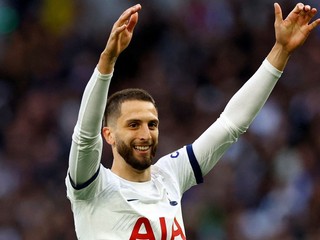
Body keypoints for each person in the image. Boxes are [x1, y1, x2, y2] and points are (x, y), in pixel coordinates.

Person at [66, 2, 320, 239]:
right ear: (109, 134)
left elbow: (231, 124)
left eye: (151, 124)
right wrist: (106, 63)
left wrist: (281, 52)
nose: (145, 133)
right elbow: (85, 137)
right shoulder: (92, 188)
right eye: (133, 124)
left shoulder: (169, 176)